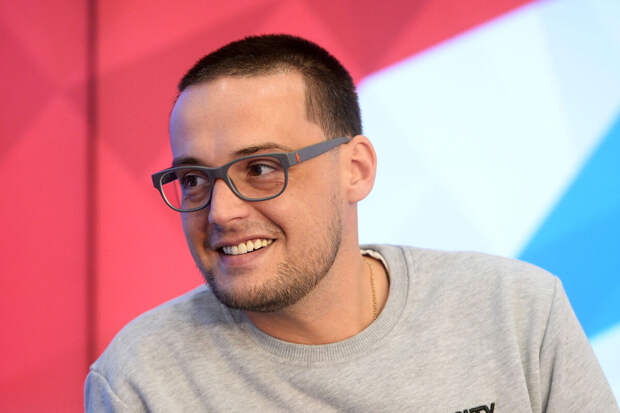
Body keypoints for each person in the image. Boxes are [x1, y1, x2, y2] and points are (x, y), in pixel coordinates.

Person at [85, 34, 618, 412]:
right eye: (194, 179)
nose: (220, 212)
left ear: (355, 170)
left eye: (261, 169)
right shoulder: (141, 380)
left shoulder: (516, 310)